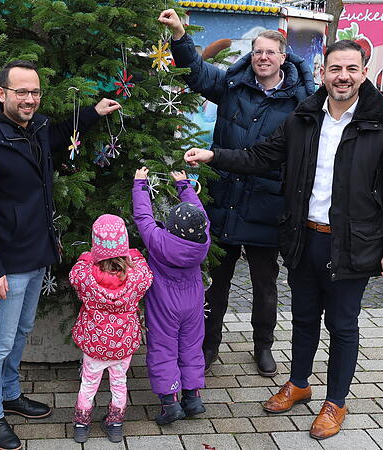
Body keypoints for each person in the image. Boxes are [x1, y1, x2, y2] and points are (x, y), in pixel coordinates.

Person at [184, 40, 383, 440]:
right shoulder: (304, 117)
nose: (342, 76)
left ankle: (336, 401)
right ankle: (298, 383)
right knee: (303, 318)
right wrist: (216, 157)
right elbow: (262, 156)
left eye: (350, 68)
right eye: (334, 69)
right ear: (322, 72)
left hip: (352, 242)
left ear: (364, 72)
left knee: (342, 324)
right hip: (303, 237)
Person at [0, 60, 121, 450]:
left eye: (34, 92)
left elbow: (62, 133)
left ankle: (11, 394)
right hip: (6, 265)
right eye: (21, 92)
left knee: (21, 332)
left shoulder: (35, 129)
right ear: (2, 95)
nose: (30, 99)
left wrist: (92, 114)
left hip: (36, 256)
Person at [158, 9, 316, 377]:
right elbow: (196, 74)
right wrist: (181, 34)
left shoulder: (300, 101)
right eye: (258, 51)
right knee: (217, 280)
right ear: (252, 54)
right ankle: (209, 343)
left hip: (267, 201)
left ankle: (263, 345)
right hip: (225, 198)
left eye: (270, 52)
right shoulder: (232, 84)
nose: (263, 57)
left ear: (283, 57)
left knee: (265, 284)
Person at [132, 167, 212, 425]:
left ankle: (170, 403)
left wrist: (140, 185)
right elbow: (202, 214)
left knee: (163, 349)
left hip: (164, 305)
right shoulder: (203, 240)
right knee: (191, 347)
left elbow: (143, 216)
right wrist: (185, 186)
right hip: (193, 302)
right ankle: (192, 398)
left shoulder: (158, 240)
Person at [69, 214, 153, 444]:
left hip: (95, 343)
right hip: (122, 344)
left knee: (88, 382)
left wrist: (89, 257)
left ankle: (81, 425)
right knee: (119, 382)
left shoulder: (86, 276)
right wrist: (132, 254)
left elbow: (75, 272)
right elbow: (147, 273)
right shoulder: (136, 276)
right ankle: (115, 424)